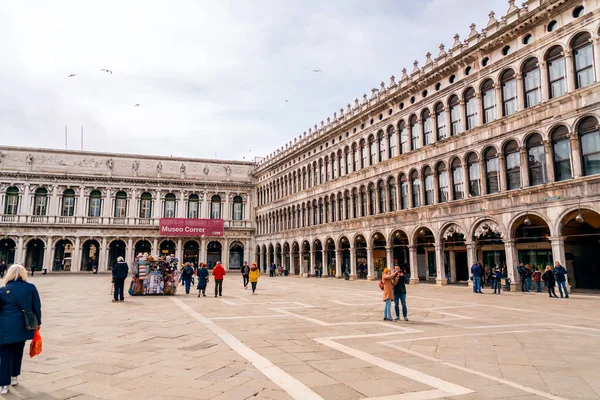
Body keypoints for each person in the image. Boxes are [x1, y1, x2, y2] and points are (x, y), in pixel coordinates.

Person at [0, 264, 42, 395]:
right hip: (24, 325)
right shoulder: (30, 288)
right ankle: (14, 377)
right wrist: (38, 323)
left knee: (5, 355)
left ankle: (4, 385)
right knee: (18, 351)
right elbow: (36, 307)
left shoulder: (3, 289)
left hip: (5, 326)